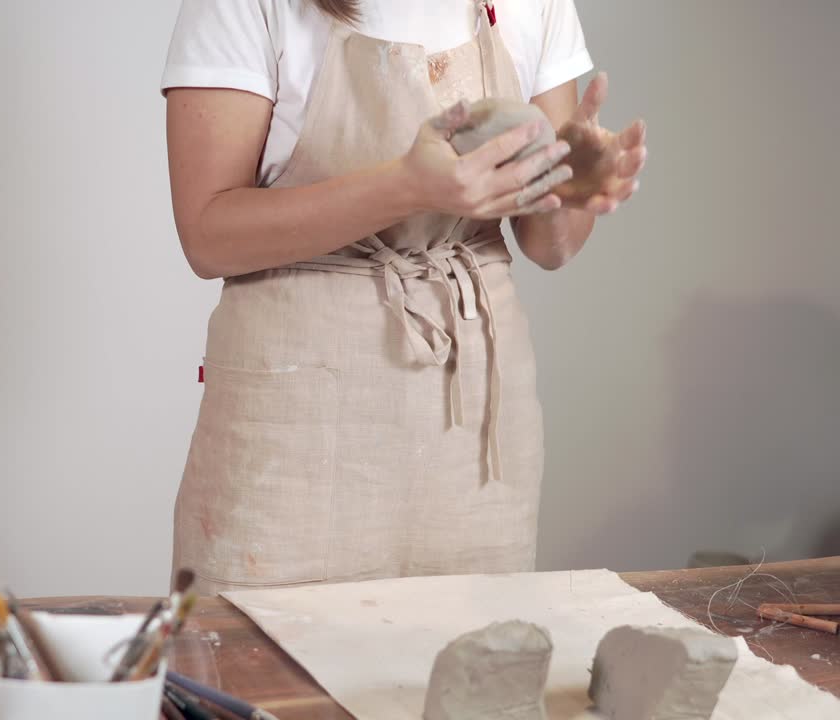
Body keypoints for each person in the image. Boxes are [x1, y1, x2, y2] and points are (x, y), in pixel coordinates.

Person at [162, 0, 647, 595]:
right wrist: (405, 188)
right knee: (261, 671)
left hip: (475, 433)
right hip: (296, 422)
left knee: (469, 664)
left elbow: (552, 245)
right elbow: (207, 235)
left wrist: (574, 185)